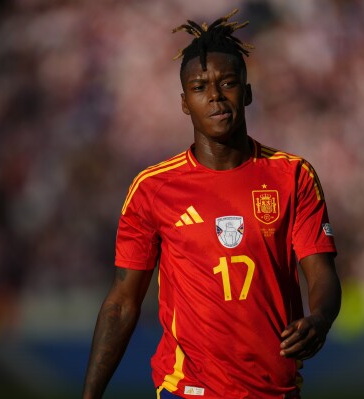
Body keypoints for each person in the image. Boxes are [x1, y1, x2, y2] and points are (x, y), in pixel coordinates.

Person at [82, 9, 341, 399]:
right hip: (187, 389)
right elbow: (122, 303)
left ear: (248, 93)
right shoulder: (153, 188)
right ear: (185, 103)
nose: (216, 96)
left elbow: (321, 273)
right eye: (200, 87)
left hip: (275, 390)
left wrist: (319, 319)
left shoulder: (292, 176)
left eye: (228, 83)